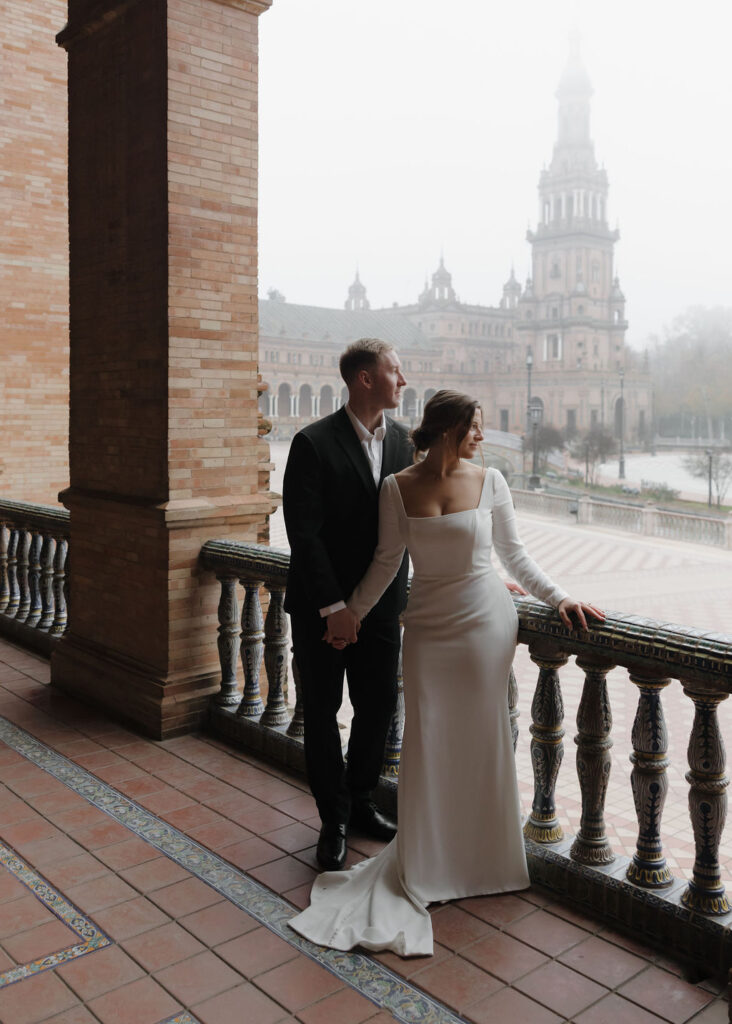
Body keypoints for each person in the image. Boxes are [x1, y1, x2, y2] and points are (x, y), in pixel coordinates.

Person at [288, 390, 604, 956]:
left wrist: (560, 597)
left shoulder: (492, 481)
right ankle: (431, 860)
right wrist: (350, 614)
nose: (482, 435)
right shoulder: (397, 487)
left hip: (485, 623)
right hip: (428, 628)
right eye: (474, 426)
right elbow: (387, 562)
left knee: (483, 736)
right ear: (448, 428)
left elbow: (515, 555)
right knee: (428, 738)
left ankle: (486, 860)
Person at [283, 338, 413, 873]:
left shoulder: (405, 442)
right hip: (320, 610)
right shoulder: (312, 442)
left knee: (377, 708)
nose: (402, 380)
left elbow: (415, 526)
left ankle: (360, 800)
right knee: (320, 712)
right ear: (365, 378)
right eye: (394, 370)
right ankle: (332, 819)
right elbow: (304, 534)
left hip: (380, 609)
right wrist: (335, 607)